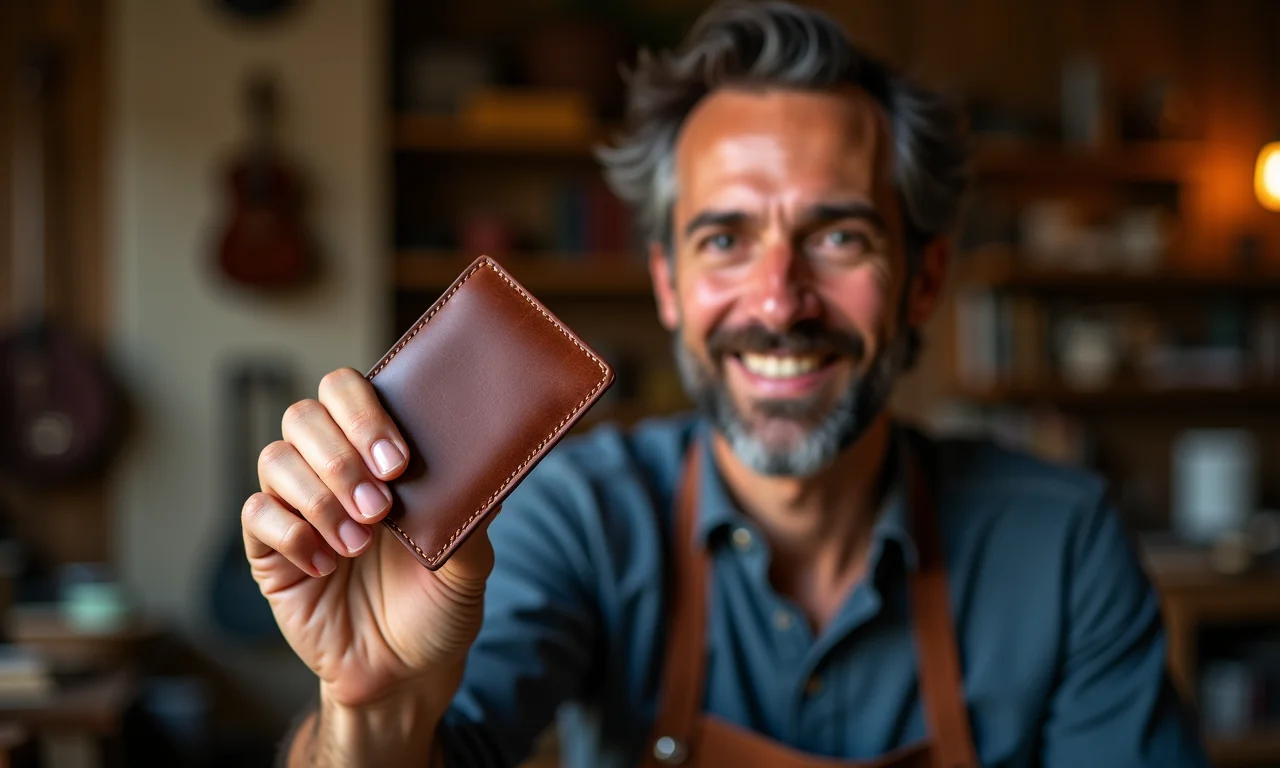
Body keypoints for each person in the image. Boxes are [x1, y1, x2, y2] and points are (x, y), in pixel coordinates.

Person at [243, 2, 1209, 766]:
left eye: (839, 236)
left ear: (923, 281)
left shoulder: (1064, 542)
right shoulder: (577, 518)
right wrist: (371, 707)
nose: (779, 301)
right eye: (725, 239)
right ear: (668, 284)